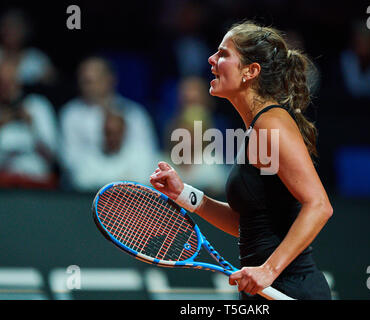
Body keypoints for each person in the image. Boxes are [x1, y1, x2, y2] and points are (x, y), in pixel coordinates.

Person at [149, 21, 333, 300]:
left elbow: (319, 206)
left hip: (290, 288)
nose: (211, 59)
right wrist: (184, 194)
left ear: (251, 71)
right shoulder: (256, 129)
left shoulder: (271, 125)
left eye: (223, 54)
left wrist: (268, 270)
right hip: (262, 289)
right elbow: (247, 224)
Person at [59, 56, 160, 192]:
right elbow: (70, 161)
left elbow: (147, 157)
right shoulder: (71, 114)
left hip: (130, 193)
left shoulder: (134, 113)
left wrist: (117, 179)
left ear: (109, 80)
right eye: (82, 81)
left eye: (90, 81)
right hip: (85, 191)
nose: (85, 86)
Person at [0, 58, 58, 188]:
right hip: (3, 185)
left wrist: (32, 125)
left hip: (36, 182)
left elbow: (53, 152)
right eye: (2, 83)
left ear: (18, 82)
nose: (5, 87)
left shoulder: (37, 106)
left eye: (10, 82)